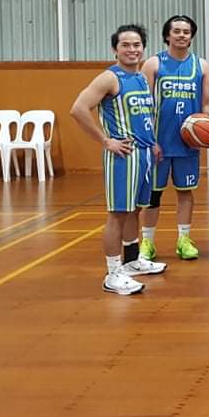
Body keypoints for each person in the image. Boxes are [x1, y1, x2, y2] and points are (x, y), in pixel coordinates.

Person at [70, 24, 166, 295]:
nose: (132, 49)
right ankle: (112, 273)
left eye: (136, 45)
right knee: (117, 214)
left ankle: (133, 260)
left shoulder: (141, 78)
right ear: (115, 49)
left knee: (135, 210)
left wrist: (154, 143)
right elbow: (78, 109)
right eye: (125, 45)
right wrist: (105, 140)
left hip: (145, 153)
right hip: (123, 154)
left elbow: (143, 117)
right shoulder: (109, 78)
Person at [139, 15, 209, 261]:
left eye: (186, 31)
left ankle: (183, 239)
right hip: (158, 144)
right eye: (177, 31)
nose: (182, 35)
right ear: (167, 35)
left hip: (188, 142)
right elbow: (143, 106)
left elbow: (206, 103)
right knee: (153, 195)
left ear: (191, 36)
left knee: (185, 192)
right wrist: (150, 141)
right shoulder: (153, 64)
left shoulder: (202, 66)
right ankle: (147, 243)